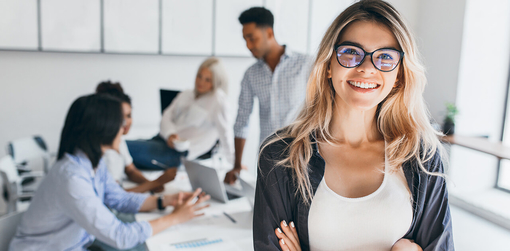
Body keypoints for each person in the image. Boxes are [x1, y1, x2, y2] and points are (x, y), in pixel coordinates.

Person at [253, 0, 454, 250]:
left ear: (399, 74)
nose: (367, 68)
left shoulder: (422, 156)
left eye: (384, 57)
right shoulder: (279, 155)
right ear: (328, 65)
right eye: (350, 52)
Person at [9, 94, 210, 251]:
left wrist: (166, 201)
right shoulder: (71, 178)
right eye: (120, 122)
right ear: (102, 128)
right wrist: (174, 218)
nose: (123, 129)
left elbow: (119, 199)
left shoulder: (93, 162)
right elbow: (119, 236)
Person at [224, 7, 313, 184]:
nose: (248, 46)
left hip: (303, 157)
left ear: (269, 33)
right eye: (245, 40)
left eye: (252, 38)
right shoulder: (251, 74)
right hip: (269, 159)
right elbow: (242, 121)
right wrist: (236, 165)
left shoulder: (306, 64)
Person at [127, 57, 235, 171]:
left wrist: (235, 164)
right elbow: (166, 116)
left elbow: (226, 134)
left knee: (122, 148)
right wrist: (170, 134)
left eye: (207, 80)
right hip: (160, 140)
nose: (201, 82)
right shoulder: (186, 94)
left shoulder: (218, 101)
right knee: (120, 151)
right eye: (199, 76)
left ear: (215, 82)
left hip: (176, 153)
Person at [96, 81, 167, 193]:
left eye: (129, 116)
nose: (126, 122)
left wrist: (150, 183)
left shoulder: (120, 142)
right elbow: (114, 197)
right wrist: (154, 184)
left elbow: (131, 170)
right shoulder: (105, 154)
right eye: (121, 117)